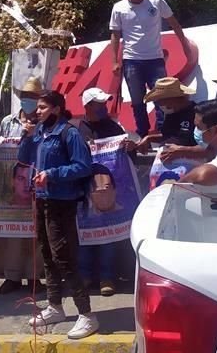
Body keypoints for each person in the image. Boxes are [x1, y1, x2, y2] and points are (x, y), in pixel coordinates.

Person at [19, 91, 98, 340]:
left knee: (63, 256)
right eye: (37, 107)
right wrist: (28, 136)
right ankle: (55, 306)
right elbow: (24, 159)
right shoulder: (42, 133)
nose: (37, 111)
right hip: (43, 200)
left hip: (62, 202)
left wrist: (52, 174)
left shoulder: (69, 133)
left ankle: (86, 314)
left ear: (55, 109)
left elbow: (83, 166)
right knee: (47, 253)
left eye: (42, 107)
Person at [109, 0, 193, 139]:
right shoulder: (119, 7)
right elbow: (115, 34)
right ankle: (142, 131)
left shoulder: (156, 2)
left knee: (162, 96)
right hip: (131, 59)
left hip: (155, 58)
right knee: (137, 98)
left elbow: (174, 23)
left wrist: (184, 44)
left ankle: (165, 130)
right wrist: (114, 61)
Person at [0, 76, 44, 295]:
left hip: (38, 183)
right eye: (25, 96)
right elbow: (0, 147)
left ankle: (35, 278)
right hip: (15, 183)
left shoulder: (45, 122)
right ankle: (12, 277)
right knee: (13, 234)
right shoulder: (8, 121)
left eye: (33, 97)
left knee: (38, 235)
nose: (28, 100)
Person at [76, 87, 124, 297]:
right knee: (85, 236)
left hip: (107, 190)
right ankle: (85, 276)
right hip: (84, 192)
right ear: (87, 106)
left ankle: (107, 277)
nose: (103, 107)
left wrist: (127, 147)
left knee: (109, 234)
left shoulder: (114, 127)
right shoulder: (77, 131)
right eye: (99, 104)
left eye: (104, 103)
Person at [137, 77, 198, 156]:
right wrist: (149, 138)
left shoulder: (198, 113)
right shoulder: (171, 113)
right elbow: (167, 135)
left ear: (174, 98)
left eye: (161, 101)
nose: (159, 104)